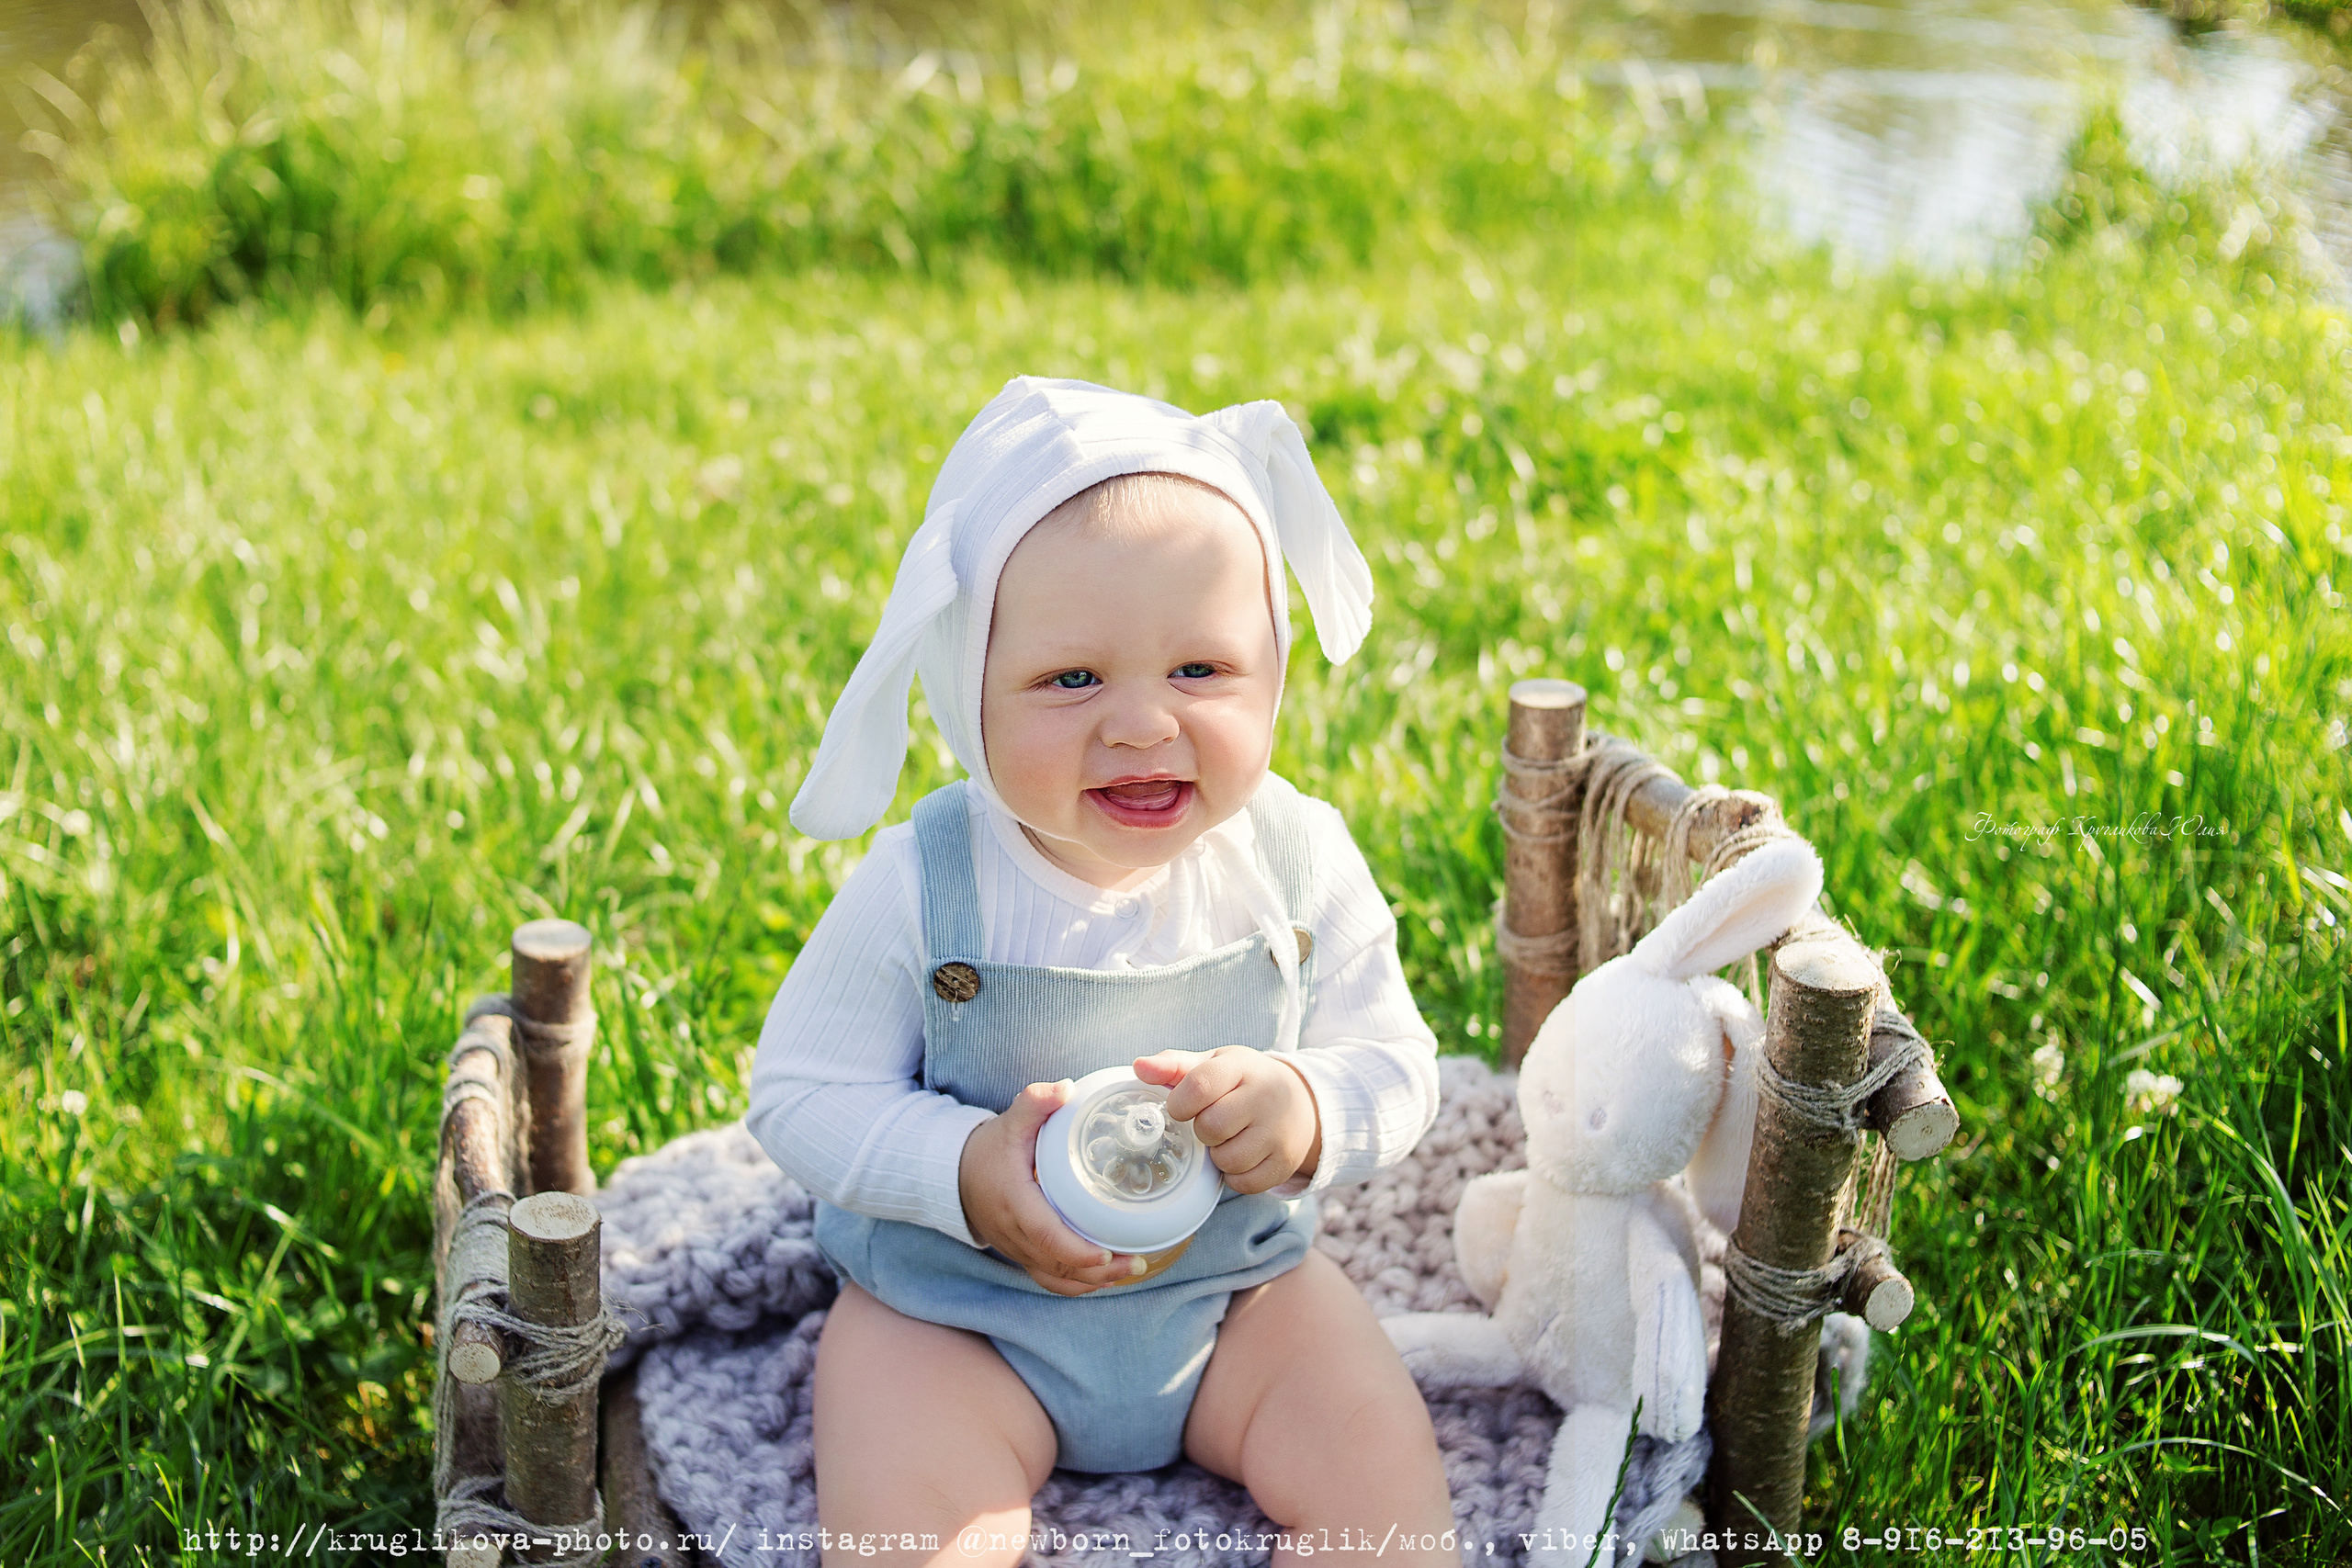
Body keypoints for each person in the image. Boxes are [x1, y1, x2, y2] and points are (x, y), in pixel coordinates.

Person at [748, 377, 1455, 1562]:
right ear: (970, 692)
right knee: (913, 1540)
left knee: (1390, 1508)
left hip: (1235, 1305)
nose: (1141, 725)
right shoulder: (925, 885)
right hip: (958, 1316)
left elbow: (1396, 1059)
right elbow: (801, 1094)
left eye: (1201, 672)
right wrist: (968, 1171)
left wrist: (1312, 1110)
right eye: (1072, 680)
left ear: (1274, 670)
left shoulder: (1294, 863)